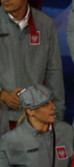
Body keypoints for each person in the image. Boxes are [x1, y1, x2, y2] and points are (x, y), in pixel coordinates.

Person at [0, 0, 65, 142]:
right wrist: (3, 95)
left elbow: (54, 73)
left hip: (36, 121)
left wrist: (57, 117)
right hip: (3, 118)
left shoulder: (46, 24)